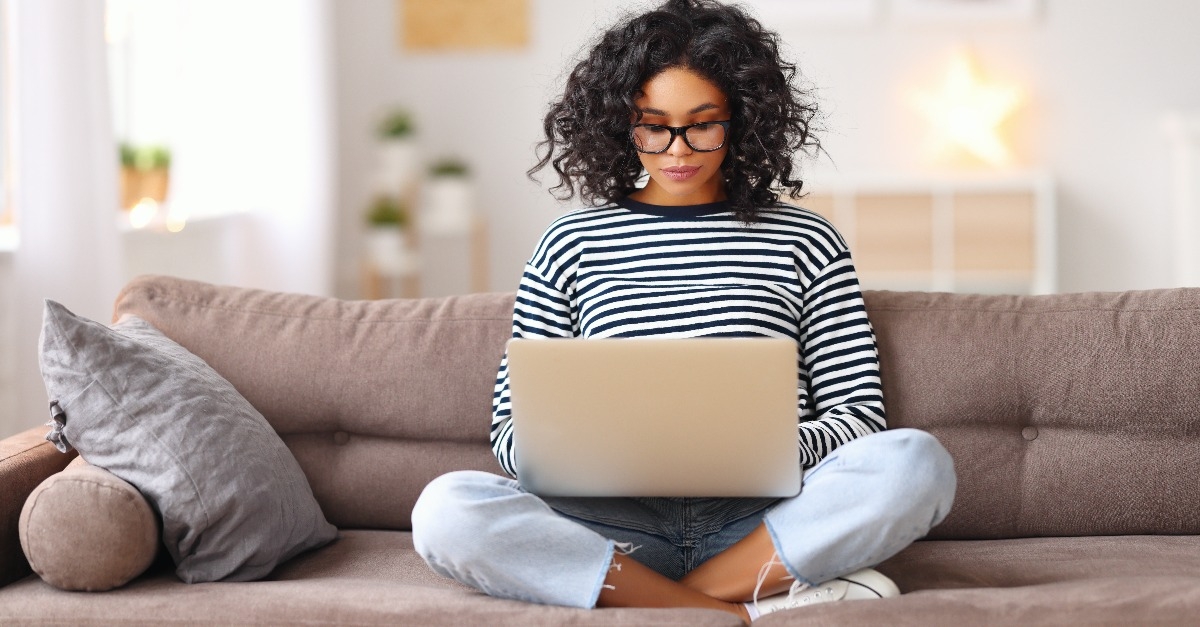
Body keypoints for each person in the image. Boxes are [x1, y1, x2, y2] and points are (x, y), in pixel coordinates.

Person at [412, 0, 957, 622]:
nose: (678, 150)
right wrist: (606, 454)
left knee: (915, 463)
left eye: (703, 124)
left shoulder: (806, 239)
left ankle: (673, 599)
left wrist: (752, 451)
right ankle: (744, 605)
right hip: (613, 525)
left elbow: (858, 418)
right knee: (447, 509)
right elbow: (512, 435)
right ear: (621, 126)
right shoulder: (571, 243)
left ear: (743, 121)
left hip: (767, 515)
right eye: (653, 125)